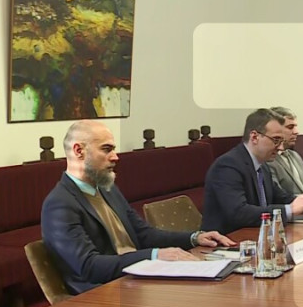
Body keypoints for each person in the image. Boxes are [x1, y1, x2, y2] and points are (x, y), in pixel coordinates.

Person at [41, 120, 234, 294]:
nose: (115, 157)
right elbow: (89, 266)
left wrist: (194, 237)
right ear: (79, 151)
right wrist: (155, 255)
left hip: (135, 281)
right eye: (106, 149)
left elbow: (143, 234)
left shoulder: (108, 189)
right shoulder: (60, 204)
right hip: (102, 294)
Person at [201, 109, 303, 235]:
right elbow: (239, 213)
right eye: (276, 140)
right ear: (254, 137)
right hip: (227, 239)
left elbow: (280, 198)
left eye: (281, 141)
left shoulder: (262, 165)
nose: (280, 147)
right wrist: (289, 210)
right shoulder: (227, 166)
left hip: (256, 236)